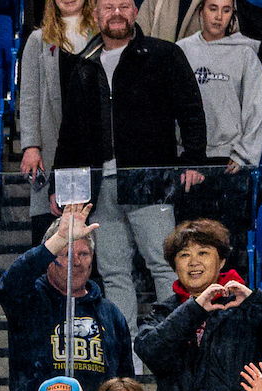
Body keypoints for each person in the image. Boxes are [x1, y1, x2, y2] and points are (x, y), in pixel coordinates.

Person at [52, 0, 211, 327]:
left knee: (165, 265)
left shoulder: (163, 54)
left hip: (148, 181)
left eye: (124, 5)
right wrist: (62, 187)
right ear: (95, 14)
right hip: (98, 186)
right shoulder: (82, 62)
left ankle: (174, 342)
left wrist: (194, 160)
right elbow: (70, 131)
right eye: (109, 7)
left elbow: (192, 111)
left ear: (135, 12)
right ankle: (124, 359)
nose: (117, 13)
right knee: (113, 272)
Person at [134, 218, 262, 391]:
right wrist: (195, 309)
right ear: (174, 266)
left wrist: (257, 301)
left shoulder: (246, 308)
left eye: (203, 253)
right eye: (184, 255)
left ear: (222, 261)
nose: (193, 262)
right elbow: (150, 352)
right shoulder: (162, 313)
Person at [0, 204, 132, 391]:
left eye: (84, 254)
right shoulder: (29, 300)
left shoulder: (110, 313)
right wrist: (60, 238)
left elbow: (125, 381)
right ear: (50, 259)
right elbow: (9, 284)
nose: (76, 262)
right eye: (67, 254)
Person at [176, 0, 262, 244]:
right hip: (190, 163)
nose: (218, 16)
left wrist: (243, 155)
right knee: (192, 242)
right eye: (212, 8)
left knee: (227, 243)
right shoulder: (180, 50)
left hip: (230, 162)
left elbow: (257, 108)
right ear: (200, 11)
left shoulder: (245, 53)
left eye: (226, 10)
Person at [18, 0, 101, 236]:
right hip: (51, 143)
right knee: (49, 231)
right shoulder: (38, 39)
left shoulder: (100, 34)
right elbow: (29, 97)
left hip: (91, 145)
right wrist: (31, 146)